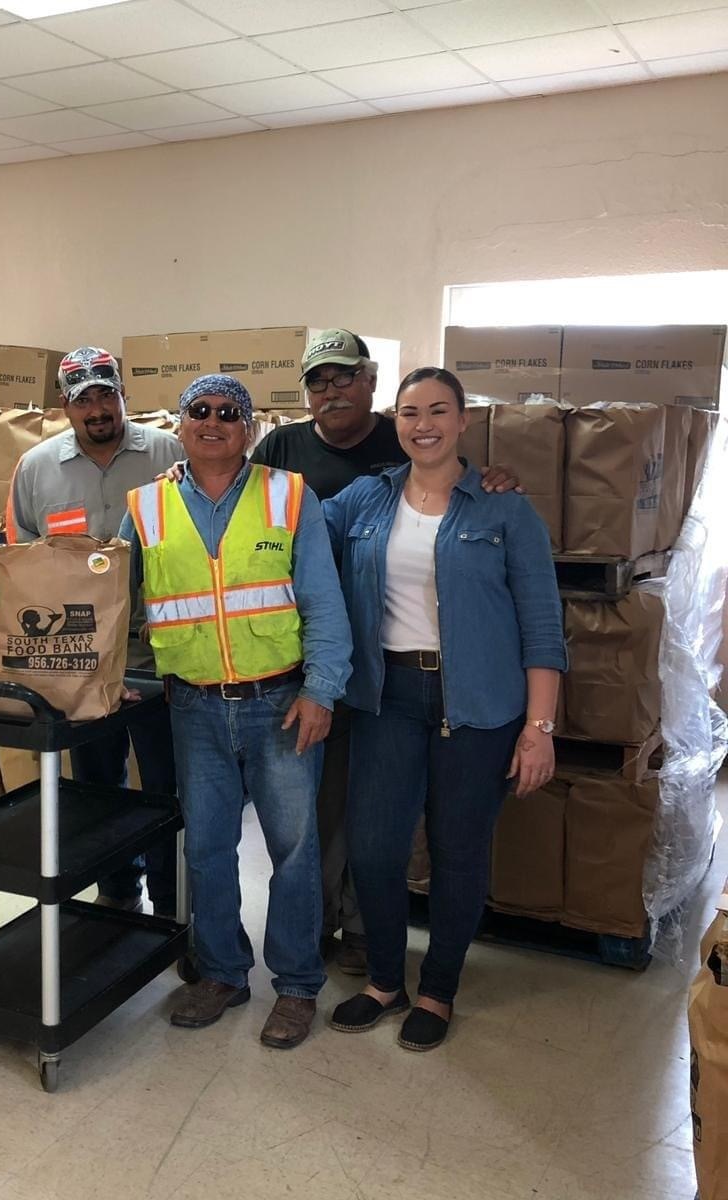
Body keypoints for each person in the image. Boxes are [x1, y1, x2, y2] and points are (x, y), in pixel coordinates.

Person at [250, 329, 520, 975]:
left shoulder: (406, 450)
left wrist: (495, 480)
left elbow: (459, 489)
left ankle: (370, 939)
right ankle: (317, 931)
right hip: (313, 663)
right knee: (324, 812)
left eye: (345, 376)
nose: (332, 390)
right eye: (319, 380)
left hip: (388, 672)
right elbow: (250, 505)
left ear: (371, 382)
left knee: (384, 824)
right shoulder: (284, 449)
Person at [321, 367, 565, 1051]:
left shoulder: (504, 509)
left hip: (479, 704)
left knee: (458, 852)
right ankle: (385, 982)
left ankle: (438, 990)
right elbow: (293, 524)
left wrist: (539, 728)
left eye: (437, 411)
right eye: (409, 413)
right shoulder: (366, 499)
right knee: (374, 848)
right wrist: (200, 475)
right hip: (387, 696)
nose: (422, 424)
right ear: (394, 422)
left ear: (463, 420)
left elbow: (543, 626)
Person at [120, 374, 353, 1050]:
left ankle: (297, 984)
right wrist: (110, 678)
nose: (214, 422)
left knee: (295, 851)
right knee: (208, 848)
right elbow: (109, 605)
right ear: (180, 425)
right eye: (200, 411)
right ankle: (222, 972)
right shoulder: (146, 506)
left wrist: (321, 690)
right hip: (192, 707)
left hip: (280, 704)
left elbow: (324, 602)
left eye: (229, 413)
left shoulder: (289, 496)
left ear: (249, 429)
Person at [6, 346, 184, 917]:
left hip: (159, 656)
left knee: (166, 785)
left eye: (107, 394)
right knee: (97, 783)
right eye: (84, 399)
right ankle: (117, 892)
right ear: (65, 405)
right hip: (80, 658)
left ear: (124, 395)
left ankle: (172, 902)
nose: (98, 409)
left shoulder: (169, 452)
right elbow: (24, 565)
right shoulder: (36, 469)